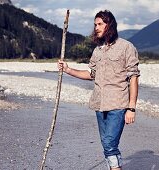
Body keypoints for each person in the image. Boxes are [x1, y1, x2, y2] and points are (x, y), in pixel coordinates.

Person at [58, 10, 140, 170]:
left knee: (109, 143)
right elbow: (91, 74)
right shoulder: (97, 50)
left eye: (100, 24)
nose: (96, 27)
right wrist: (68, 70)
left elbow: (134, 78)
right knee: (108, 145)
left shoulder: (126, 47)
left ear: (110, 25)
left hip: (118, 105)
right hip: (99, 104)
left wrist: (132, 108)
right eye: (95, 24)